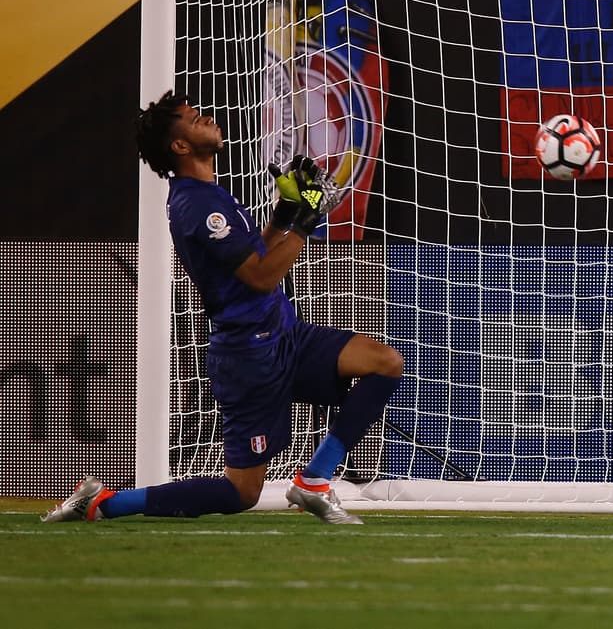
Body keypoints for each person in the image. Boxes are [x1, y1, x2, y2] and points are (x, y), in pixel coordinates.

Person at [43, 91, 404, 525]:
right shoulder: (197, 204)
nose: (209, 118)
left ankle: (314, 480)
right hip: (249, 355)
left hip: (284, 334)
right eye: (195, 119)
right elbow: (262, 276)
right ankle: (103, 503)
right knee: (241, 492)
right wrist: (308, 219)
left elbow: (258, 252)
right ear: (179, 146)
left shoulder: (212, 194)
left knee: (384, 362)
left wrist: (288, 210)